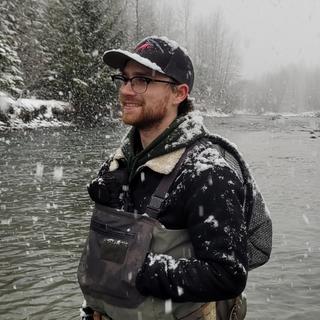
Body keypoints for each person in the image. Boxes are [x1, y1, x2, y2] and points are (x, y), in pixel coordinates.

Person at [78, 36, 272, 320]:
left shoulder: (208, 173)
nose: (126, 90)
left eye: (141, 80)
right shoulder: (117, 165)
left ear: (179, 93)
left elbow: (227, 274)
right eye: (124, 78)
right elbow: (106, 246)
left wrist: (137, 269)